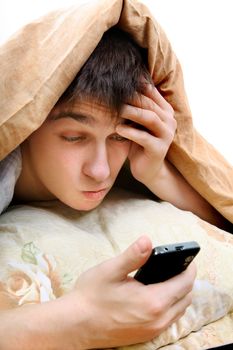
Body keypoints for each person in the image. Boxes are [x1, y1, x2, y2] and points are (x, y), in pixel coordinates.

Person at [0, 26, 230, 349]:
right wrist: (81, 319)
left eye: (118, 136)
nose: (100, 170)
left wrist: (156, 173)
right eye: (74, 137)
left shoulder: (133, 156)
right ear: (29, 122)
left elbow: (224, 216)